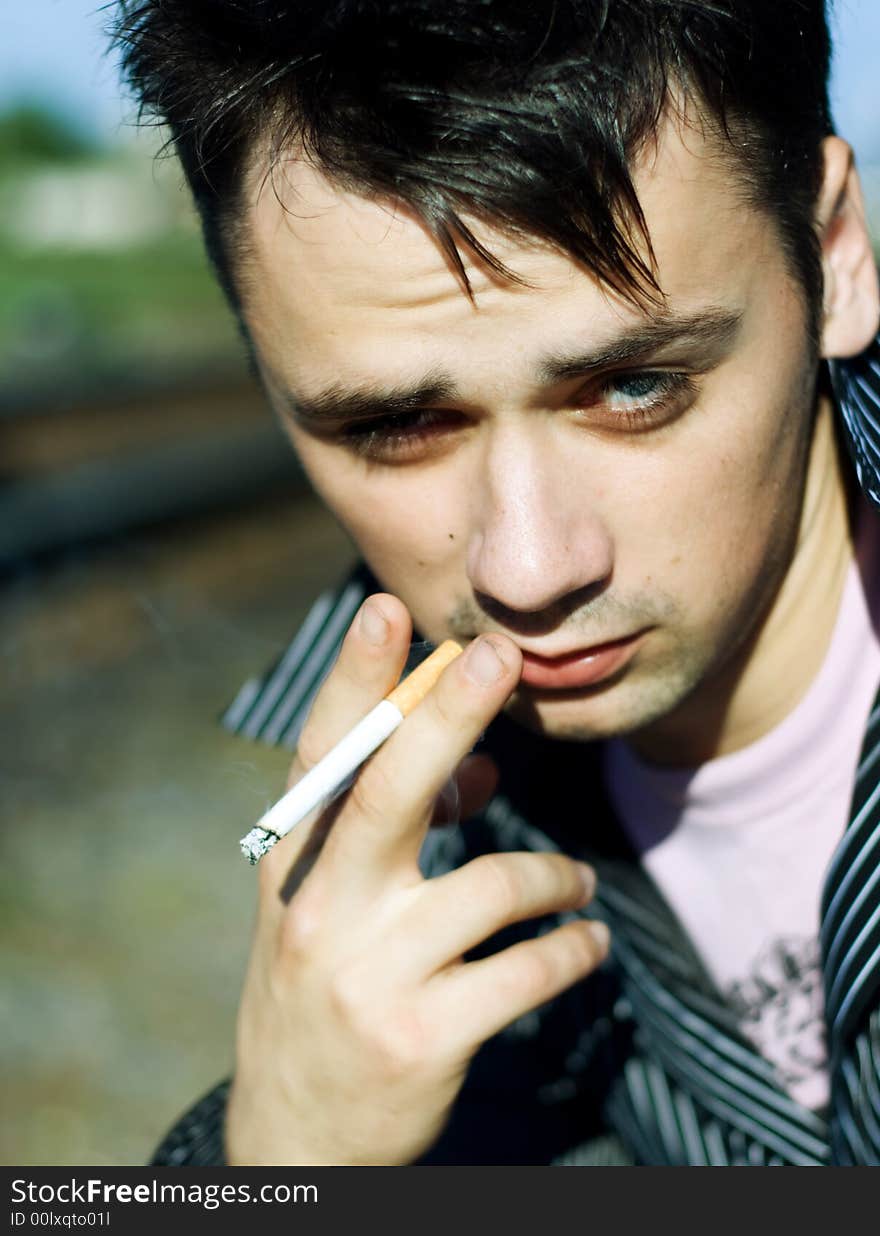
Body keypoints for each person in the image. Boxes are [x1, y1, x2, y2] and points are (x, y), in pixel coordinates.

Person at [112, 0, 880, 1165]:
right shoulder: (377, 845)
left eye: (634, 387)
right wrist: (277, 1153)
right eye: (400, 422)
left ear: (832, 258)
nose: (527, 570)